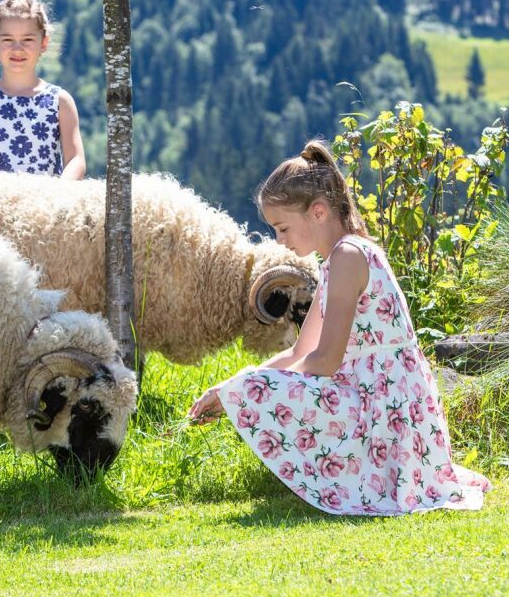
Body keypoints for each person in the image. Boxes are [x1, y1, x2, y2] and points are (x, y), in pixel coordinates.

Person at [188, 140, 489, 516]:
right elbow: (300, 353)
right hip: (380, 399)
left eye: (282, 228)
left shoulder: (349, 256)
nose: (280, 240)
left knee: (259, 385)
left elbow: (326, 360)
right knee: (254, 382)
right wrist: (232, 387)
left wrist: (247, 388)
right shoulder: (337, 260)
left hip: (385, 406)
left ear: (317, 212)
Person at [0, 0, 86, 179]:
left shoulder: (60, 101)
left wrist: (59, 194)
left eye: (28, 40)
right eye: (8, 39)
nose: (17, 49)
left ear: (44, 43)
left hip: (46, 204)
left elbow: (76, 160)